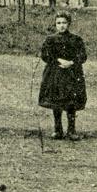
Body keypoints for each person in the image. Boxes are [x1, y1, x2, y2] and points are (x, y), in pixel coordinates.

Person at [39, 12, 87, 141]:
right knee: (57, 101)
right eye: (58, 23)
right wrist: (60, 61)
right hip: (55, 73)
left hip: (72, 74)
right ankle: (58, 130)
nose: (61, 26)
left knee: (71, 101)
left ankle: (71, 130)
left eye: (64, 23)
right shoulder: (50, 39)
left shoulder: (76, 39)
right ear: (55, 25)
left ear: (69, 24)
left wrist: (71, 62)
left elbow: (82, 56)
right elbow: (45, 55)